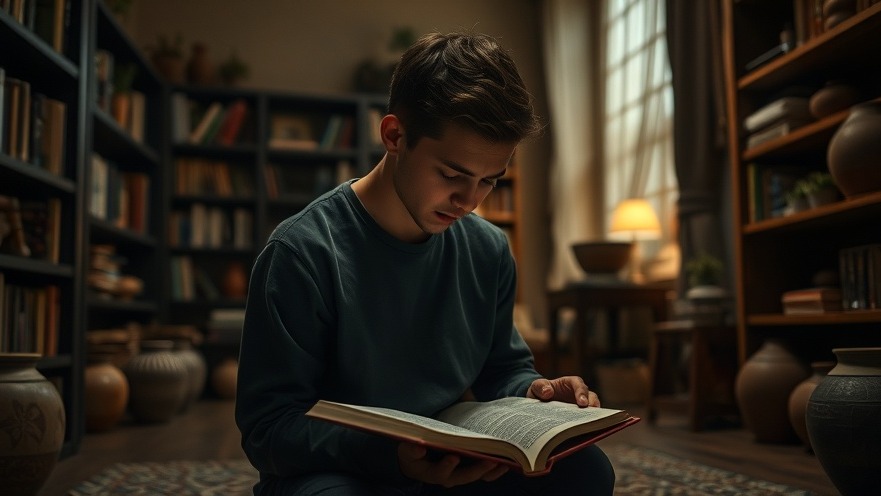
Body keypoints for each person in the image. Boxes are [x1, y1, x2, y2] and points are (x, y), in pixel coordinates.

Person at [235, 31, 616, 495]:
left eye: (489, 181)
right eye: (452, 175)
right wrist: (390, 457)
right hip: (344, 470)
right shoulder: (302, 253)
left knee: (587, 472)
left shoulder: (489, 249)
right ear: (395, 135)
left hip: (450, 465)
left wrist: (538, 393)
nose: (469, 201)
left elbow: (503, 370)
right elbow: (269, 429)